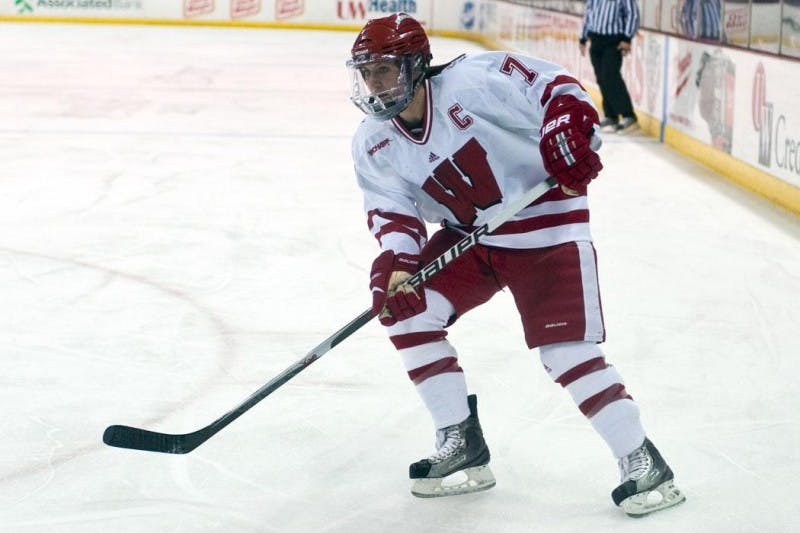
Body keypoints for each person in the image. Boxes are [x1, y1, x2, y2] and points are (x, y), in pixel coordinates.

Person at [346, 12, 684, 516]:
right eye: (367, 72)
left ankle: (640, 458)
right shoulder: (372, 142)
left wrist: (569, 125)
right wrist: (397, 259)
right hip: (471, 239)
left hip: (542, 225)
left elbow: (558, 89)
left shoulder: (475, 81)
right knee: (407, 310)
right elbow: (392, 210)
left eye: (387, 70)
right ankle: (459, 440)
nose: (375, 84)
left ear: (418, 66)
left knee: (564, 352)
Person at [579, 0, 640, 134]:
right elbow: (588, 14)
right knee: (601, 78)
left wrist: (627, 38)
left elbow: (632, 14)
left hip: (613, 41)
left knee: (610, 76)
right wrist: (582, 38)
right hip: (595, 40)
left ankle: (628, 115)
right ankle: (611, 116)